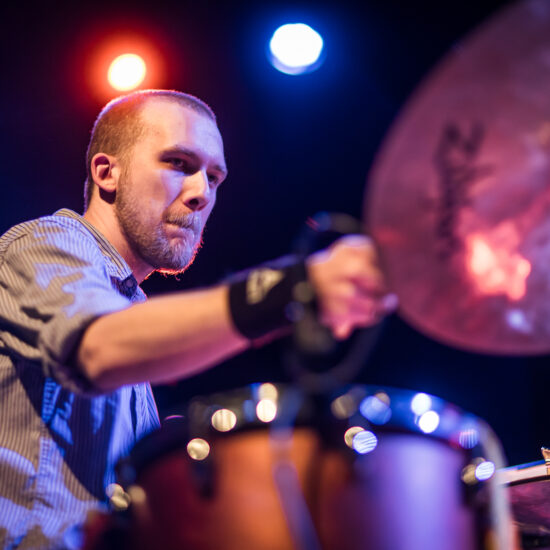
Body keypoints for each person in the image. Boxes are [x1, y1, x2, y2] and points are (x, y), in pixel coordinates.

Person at [0, 89, 396, 549]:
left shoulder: (131, 312)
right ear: (107, 173)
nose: (201, 194)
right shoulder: (45, 243)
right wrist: (292, 288)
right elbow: (98, 349)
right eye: (179, 164)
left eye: (213, 177)